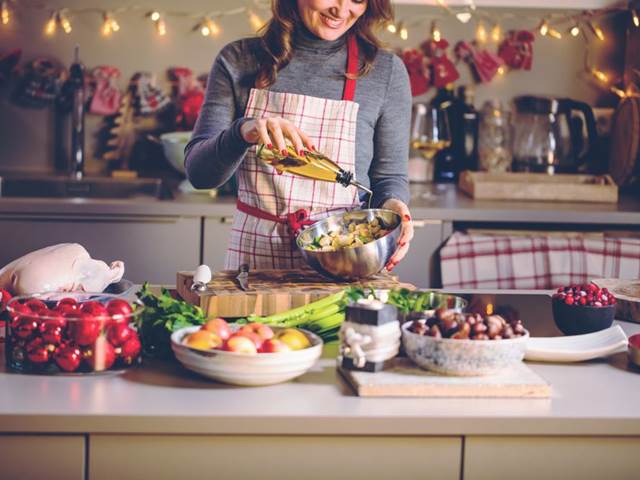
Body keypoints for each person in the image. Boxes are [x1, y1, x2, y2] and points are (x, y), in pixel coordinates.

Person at [185, 0, 413, 271]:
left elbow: (388, 177)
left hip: (345, 261)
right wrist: (243, 132)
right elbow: (199, 175)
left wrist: (394, 205)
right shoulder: (238, 59)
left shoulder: (385, 71)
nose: (341, 10)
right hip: (255, 266)